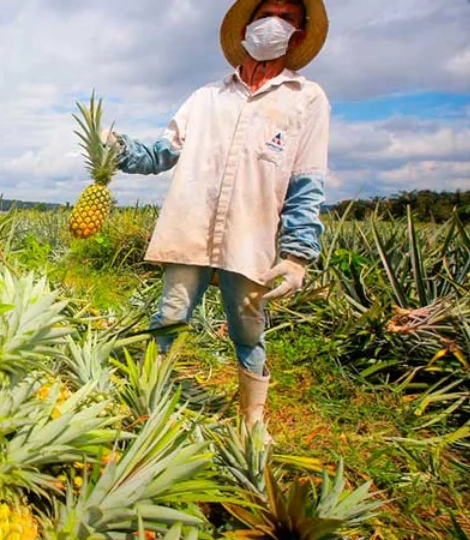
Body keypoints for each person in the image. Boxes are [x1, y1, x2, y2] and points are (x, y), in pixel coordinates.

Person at [106, 0, 330, 442]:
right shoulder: (207, 97)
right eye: (268, 13)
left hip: (251, 235)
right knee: (168, 316)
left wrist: (298, 254)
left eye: (287, 17)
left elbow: (307, 181)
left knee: (248, 327)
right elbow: (160, 154)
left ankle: (252, 418)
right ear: (246, 26)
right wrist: (114, 146)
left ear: (299, 34)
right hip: (190, 225)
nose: (274, 23)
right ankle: (147, 402)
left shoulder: (308, 100)